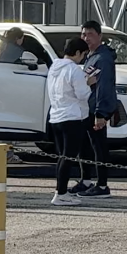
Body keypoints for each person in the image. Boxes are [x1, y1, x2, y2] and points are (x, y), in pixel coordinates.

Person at [46, 36, 93, 205]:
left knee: (62, 157)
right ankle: (61, 194)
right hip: (72, 117)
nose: (83, 58)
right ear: (78, 52)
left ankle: (60, 191)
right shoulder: (74, 70)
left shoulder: (54, 67)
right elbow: (83, 94)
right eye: (83, 54)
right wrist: (89, 83)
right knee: (69, 157)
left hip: (56, 115)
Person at [80, 20, 119, 198]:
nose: (86, 38)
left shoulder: (103, 58)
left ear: (100, 36)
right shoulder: (90, 56)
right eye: (84, 34)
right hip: (87, 108)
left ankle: (102, 185)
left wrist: (101, 113)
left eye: (90, 34)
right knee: (85, 146)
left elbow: (104, 87)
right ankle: (86, 180)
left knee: (99, 147)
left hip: (96, 109)